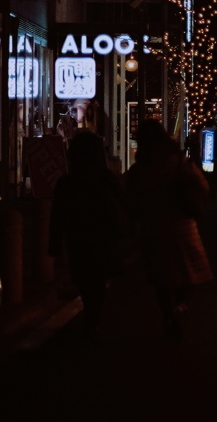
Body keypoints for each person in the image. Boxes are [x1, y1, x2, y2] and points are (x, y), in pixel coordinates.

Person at [124, 119, 212, 340]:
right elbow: (202, 185)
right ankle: (181, 306)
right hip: (182, 225)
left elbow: (128, 196)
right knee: (191, 274)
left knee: (162, 278)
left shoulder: (140, 168)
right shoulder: (178, 162)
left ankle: (167, 314)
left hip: (152, 227)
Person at [48, 131, 126, 331]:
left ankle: (91, 316)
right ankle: (94, 315)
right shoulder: (106, 178)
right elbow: (124, 205)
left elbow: (58, 216)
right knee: (98, 279)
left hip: (78, 238)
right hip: (103, 238)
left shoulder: (67, 182)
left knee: (84, 278)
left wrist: (55, 246)